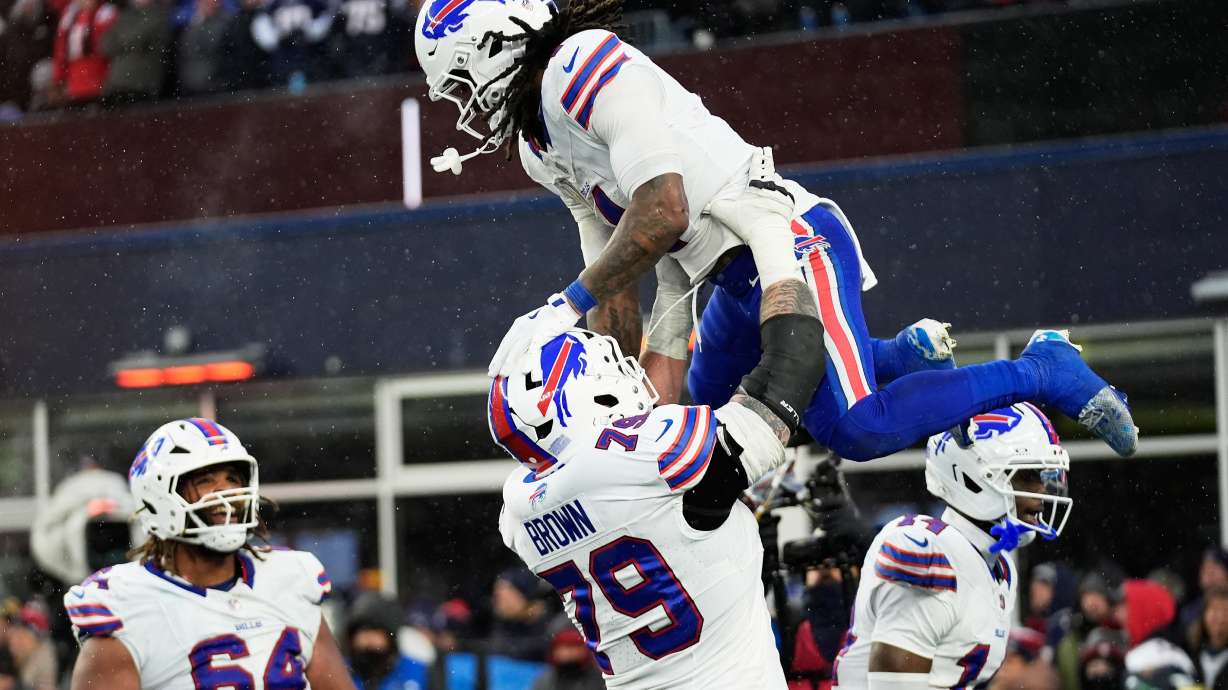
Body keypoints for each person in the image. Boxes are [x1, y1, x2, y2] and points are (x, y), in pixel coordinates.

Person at [413, 0, 1138, 466]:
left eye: (454, 84)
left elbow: (662, 211)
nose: (460, 108)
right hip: (722, 282)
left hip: (785, 241)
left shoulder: (581, 65)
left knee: (853, 430)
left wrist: (562, 308)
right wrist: (617, 377)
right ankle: (887, 354)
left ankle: (1044, 370)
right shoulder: (542, 147)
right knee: (688, 432)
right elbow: (618, 270)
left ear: (488, 50)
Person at [494, 320, 829, 686]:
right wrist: (779, 262)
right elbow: (796, 360)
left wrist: (672, 298)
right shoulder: (643, 466)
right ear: (574, 405)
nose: (624, 376)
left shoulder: (520, 512)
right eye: (601, 375)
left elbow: (631, 476)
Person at [64, 417, 356, 690]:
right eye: (205, 481)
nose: (226, 492)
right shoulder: (124, 606)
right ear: (159, 497)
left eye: (232, 478)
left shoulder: (290, 578)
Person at [830, 403, 1074, 688]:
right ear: (972, 475)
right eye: (1029, 475)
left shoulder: (1000, 567)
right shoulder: (926, 553)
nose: (1042, 492)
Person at [346, 592, 429, 690]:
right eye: (362, 630)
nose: (369, 638)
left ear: (390, 637)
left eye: (376, 630)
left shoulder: (415, 672)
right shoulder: (339, 670)